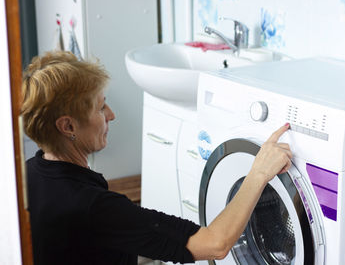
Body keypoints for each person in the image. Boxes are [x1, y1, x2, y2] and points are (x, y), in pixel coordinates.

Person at [21, 51, 292, 265]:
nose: (111, 115)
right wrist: (258, 172)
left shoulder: (26, 176)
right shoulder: (94, 208)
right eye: (100, 107)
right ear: (68, 126)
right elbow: (216, 243)